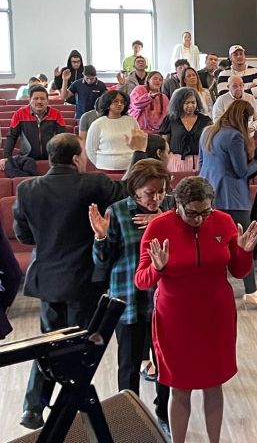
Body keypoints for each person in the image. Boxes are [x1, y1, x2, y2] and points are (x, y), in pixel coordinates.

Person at [14, 131, 147, 430]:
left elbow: (23, 235)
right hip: (84, 280)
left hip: (47, 280)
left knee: (50, 342)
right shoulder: (93, 184)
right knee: (78, 350)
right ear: (76, 159)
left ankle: (33, 407)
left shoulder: (27, 189)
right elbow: (130, 190)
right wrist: (138, 152)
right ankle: (72, 412)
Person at [134, 177, 257, 443]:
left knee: (214, 384)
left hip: (216, 317)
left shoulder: (223, 221)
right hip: (175, 320)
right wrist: (157, 267)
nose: (200, 219)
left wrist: (244, 252)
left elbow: (238, 271)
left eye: (206, 211)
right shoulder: (159, 227)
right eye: (192, 213)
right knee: (180, 388)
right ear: (177, 206)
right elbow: (141, 280)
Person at [89, 159, 172, 434]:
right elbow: (102, 262)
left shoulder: (170, 210)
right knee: (128, 365)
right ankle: (127, 422)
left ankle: (163, 413)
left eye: (161, 191)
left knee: (165, 364)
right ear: (135, 189)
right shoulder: (117, 212)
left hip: (163, 300)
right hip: (129, 298)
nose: (156, 198)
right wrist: (101, 238)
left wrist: (161, 220)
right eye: (150, 192)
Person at [199, 100, 257, 310]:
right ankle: (251, 292)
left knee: (212, 245)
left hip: (208, 194)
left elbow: (201, 164)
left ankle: (211, 290)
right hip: (233, 198)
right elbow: (242, 171)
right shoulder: (234, 136)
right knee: (245, 243)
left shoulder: (207, 132)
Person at [1, 85, 65, 168]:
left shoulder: (56, 114)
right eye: (35, 98)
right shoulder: (19, 114)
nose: (39, 101)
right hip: (27, 158)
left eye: (42, 99)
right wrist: (6, 157)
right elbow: (12, 136)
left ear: (47, 101)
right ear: (30, 100)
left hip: (52, 158)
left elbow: (62, 137)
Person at [159, 88, 212, 172]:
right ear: (179, 103)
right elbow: (164, 143)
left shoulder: (205, 120)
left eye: (193, 102)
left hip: (200, 162)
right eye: (187, 103)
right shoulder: (171, 119)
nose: (191, 106)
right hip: (176, 163)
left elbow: (210, 142)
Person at [86, 90, 140, 171]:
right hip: (105, 168)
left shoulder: (132, 121)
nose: (120, 104)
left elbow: (139, 144)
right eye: (116, 101)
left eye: (122, 102)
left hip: (130, 168)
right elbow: (90, 150)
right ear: (107, 104)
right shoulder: (98, 124)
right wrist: (101, 163)